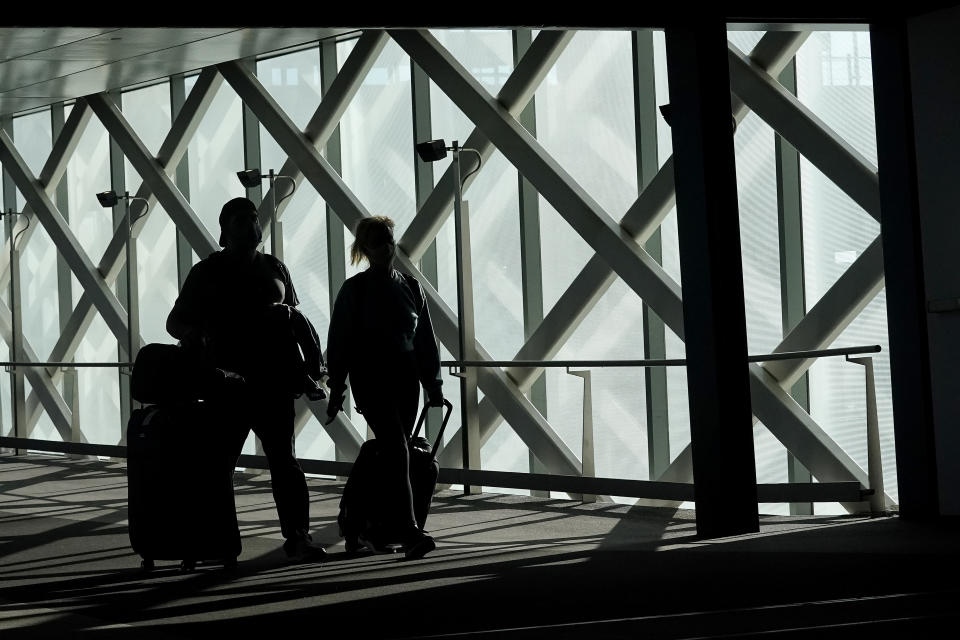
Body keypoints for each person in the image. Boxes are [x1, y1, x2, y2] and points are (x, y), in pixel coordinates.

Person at [166, 196, 326, 563]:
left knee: (283, 463)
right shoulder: (206, 272)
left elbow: (293, 318)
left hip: (273, 383)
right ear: (224, 231)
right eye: (240, 219)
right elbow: (174, 323)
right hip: (227, 385)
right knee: (221, 465)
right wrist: (195, 336)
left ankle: (297, 536)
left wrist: (306, 371)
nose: (251, 224)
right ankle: (222, 540)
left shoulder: (275, 267)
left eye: (253, 218)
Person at [326, 215, 443, 560]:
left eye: (388, 238)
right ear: (365, 248)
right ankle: (407, 529)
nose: (386, 246)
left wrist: (432, 385)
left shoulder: (409, 285)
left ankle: (374, 524)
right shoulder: (356, 290)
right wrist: (337, 387)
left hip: (404, 378)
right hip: (372, 376)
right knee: (397, 448)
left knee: (397, 451)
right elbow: (341, 342)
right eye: (378, 240)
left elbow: (425, 341)